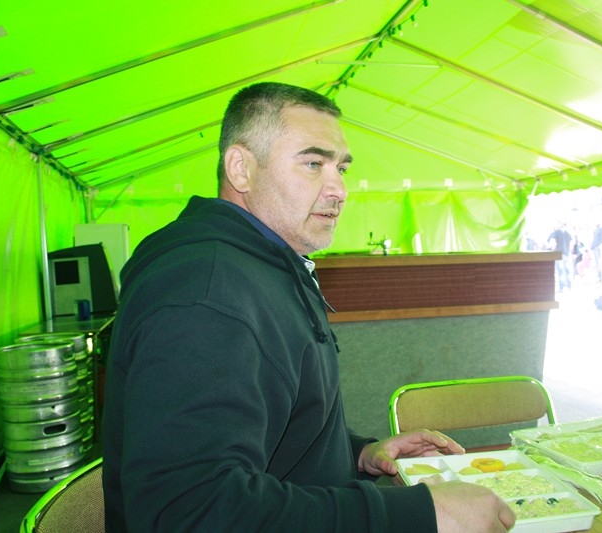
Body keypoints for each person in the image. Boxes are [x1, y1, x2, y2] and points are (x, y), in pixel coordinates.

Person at [102, 82, 515, 532]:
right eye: (313, 164)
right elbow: (189, 512)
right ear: (241, 169)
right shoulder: (206, 296)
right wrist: (419, 515)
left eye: (342, 168)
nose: (338, 189)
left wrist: (358, 454)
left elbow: (277, 435)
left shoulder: (267, 265)